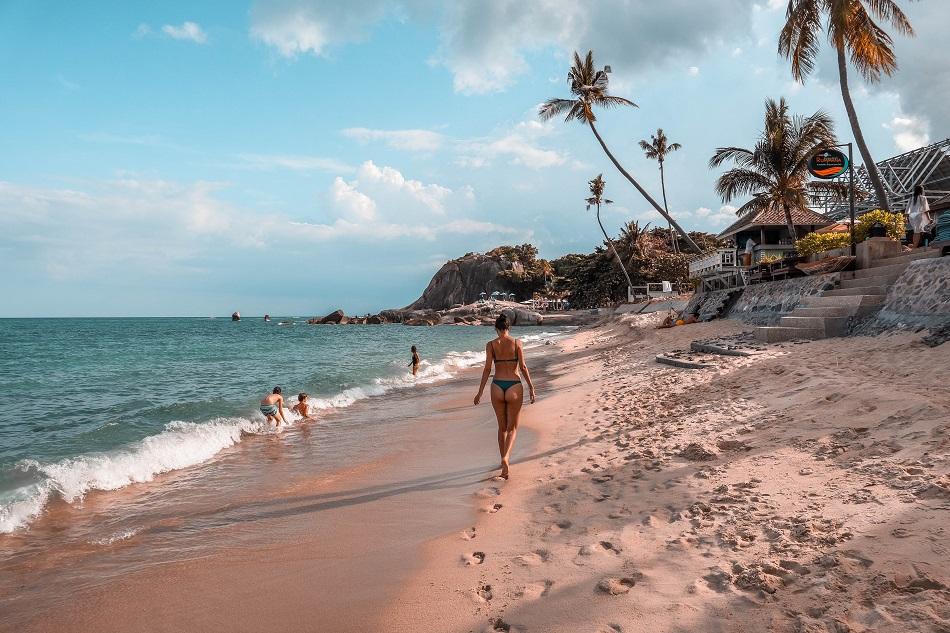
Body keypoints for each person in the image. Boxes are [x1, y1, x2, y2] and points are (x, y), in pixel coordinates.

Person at [474, 314, 536, 480]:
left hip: (497, 387)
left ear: (496, 328)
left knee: (501, 428)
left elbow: (487, 369)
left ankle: (503, 463)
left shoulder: (491, 345)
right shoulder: (517, 343)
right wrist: (531, 387)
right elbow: (522, 366)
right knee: (513, 428)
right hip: (514, 386)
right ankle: (506, 457)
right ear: (509, 327)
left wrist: (479, 392)